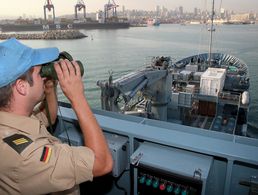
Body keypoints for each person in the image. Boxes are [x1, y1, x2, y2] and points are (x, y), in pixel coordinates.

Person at [0, 38, 113, 194]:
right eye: (40, 72)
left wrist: (49, 86)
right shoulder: (26, 156)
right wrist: (77, 97)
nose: (44, 74)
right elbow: (103, 163)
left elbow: (49, 118)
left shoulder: (12, 119)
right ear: (22, 86)